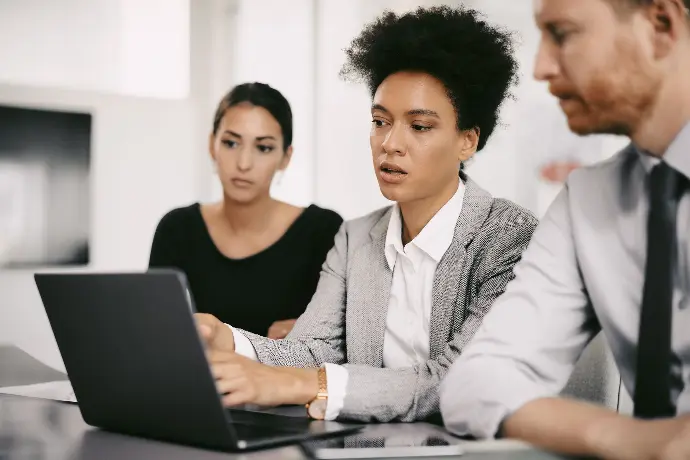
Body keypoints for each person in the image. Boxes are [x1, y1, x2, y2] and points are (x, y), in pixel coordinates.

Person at [194, 6, 538, 423]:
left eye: (420, 126)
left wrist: (311, 384)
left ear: (467, 141)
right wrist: (225, 337)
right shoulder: (356, 238)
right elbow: (310, 350)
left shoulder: (510, 238)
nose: (390, 144)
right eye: (380, 121)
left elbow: (460, 380)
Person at [440, 0, 690, 458]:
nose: (540, 67)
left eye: (563, 33)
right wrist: (634, 441)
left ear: (660, 25)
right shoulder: (587, 200)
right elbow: (475, 384)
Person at [149, 83, 343, 338]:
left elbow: (348, 339)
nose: (243, 164)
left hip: (287, 378)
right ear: (212, 145)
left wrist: (309, 332)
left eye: (263, 148)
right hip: (201, 377)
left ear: (286, 157)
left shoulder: (323, 231)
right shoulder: (177, 229)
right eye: (231, 143)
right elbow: (153, 330)